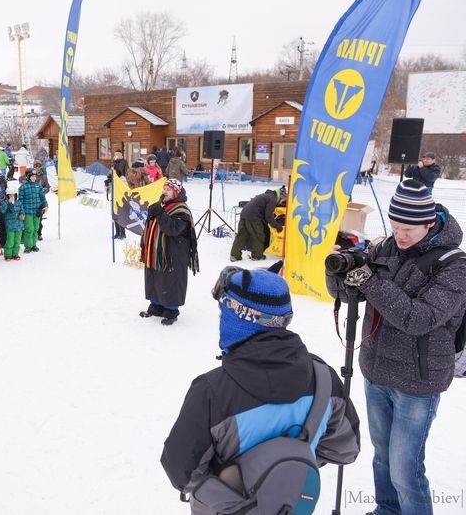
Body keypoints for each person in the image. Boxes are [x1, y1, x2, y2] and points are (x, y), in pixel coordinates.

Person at [162, 267, 360, 512]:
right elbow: (345, 449)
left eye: (223, 313)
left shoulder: (212, 391)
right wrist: (286, 463)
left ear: (237, 319)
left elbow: (181, 473)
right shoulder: (324, 378)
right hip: (288, 504)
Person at [326, 179, 466, 515]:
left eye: (409, 229)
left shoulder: (454, 264)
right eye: (395, 225)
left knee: (406, 469)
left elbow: (418, 319)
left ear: (430, 223)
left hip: (418, 381)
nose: (400, 235)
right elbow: (352, 295)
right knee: (382, 456)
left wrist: (369, 280)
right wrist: (339, 274)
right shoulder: (386, 247)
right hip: (376, 372)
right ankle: (387, 511)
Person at [139, 179, 199, 325]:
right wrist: (152, 214)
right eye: (164, 188)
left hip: (174, 254)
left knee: (170, 281)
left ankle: (171, 310)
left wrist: (159, 213)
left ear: (176, 193)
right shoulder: (163, 206)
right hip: (157, 253)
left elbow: (172, 229)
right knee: (155, 277)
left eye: (168, 189)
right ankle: (156, 305)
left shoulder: (181, 210)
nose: (164, 191)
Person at [229, 187, 285, 262]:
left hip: (244, 214)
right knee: (259, 236)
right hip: (254, 217)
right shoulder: (272, 199)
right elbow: (268, 216)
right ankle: (257, 256)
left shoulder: (266, 196)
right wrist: (277, 226)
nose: (281, 203)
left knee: (241, 236)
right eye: (283, 201)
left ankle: (234, 255)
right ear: (280, 196)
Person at [17, 170, 47, 254]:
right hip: (27, 212)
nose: (34, 177)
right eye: (32, 176)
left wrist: (46, 205)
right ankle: (28, 246)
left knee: (35, 229)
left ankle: (34, 244)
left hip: (37, 211)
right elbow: (20, 201)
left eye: (35, 176)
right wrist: (21, 211)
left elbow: (42, 198)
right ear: (27, 177)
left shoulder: (38, 186)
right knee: (29, 229)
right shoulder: (23, 187)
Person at [0, 184, 24, 261]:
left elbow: (22, 210)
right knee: (10, 241)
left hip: (19, 225)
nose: (12, 196)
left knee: (17, 241)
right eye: (10, 195)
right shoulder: (5, 203)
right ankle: (8, 255)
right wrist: (8, 203)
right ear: (7, 195)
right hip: (10, 226)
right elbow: (2, 210)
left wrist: (22, 214)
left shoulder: (19, 202)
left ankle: (15, 254)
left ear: (16, 195)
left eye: (13, 195)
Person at [106, 151, 128, 240]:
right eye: (115, 154)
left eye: (118, 154)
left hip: (121, 196)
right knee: (115, 215)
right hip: (114, 196)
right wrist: (108, 183)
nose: (116, 156)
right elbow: (110, 190)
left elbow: (126, 177)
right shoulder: (113, 163)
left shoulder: (124, 163)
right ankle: (117, 232)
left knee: (121, 215)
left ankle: (123, 233)